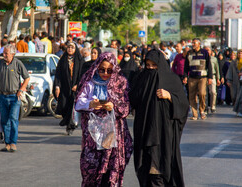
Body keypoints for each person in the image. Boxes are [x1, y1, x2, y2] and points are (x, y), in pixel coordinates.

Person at [129, 49, 189, 187]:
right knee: (145, 167)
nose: (150, 68)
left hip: (163, 131)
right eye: (148, 65)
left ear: (160, 64)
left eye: (153, 65)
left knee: (159, 169)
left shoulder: (171, 79)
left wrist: (169, 96)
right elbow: (132, 98)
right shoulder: (141, 77)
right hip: (144, 128)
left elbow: (184, 105)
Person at [75, 52, 133, 186]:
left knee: (111, 168)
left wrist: (113, 106)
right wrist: (91, 104)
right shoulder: (89, 81)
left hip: (113, 132)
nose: (105, 73)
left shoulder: (120, 82)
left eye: (109, 70)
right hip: (92, 133)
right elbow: (78, 102)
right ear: (96, 67)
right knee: (91, 167)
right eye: (102, 69)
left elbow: (126, 106)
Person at [0, 44, 30, 152]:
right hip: (2, 96)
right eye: (4, 53)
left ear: (12, 54)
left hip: (14, 97)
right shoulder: (0, 64)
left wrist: (21, 90)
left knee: (13, 119)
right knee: (4, 121)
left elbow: (27, 78)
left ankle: (13, 143)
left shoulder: (17, 64)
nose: (4, 55)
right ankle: (7, 143)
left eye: (6, 53)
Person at [53, 42, 84, 135]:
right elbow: (58, 74)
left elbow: (83, 75)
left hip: (75, 89)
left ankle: (70, 126)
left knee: (72, 108)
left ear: (76, 49)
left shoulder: (80, 60)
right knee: (63, 106)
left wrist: (78, 85)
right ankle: (67, 121)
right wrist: (57, 86)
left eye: (72, 47)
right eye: (68, 47)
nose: (70, 49)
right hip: (64, 88)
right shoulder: (62, 60)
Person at [183, 38, 212, 120]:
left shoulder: (204, 52)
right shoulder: (189, 53)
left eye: (194, 43)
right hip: (192, 77)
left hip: (202, 77)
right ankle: (194, 114)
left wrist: (210, 77)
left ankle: (202, 110)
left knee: (202, 93)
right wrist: (185, 76)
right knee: (192, 96)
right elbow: (186, 66)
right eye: (192, 43)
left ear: (199, 44)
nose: (193, 45)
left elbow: (209, 65)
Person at [226, 50, 242, 117]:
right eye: (239, 53)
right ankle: (236, 109)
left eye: (241, 53)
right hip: (234, 82)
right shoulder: (233, 62)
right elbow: (230, 71)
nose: (240, 55)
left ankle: (240, 111)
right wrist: (228, 80)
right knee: (234, 96)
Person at [205, 46, 220, 113]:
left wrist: (218, 78)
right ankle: (205, 107)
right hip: (204, 76)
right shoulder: (203, 59)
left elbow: (217, 69)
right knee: (204, 93)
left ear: (211, 51)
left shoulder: (214, 59)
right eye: (206, 50)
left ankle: (212, 106)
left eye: (208, 50)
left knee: (213, 92)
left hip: (213, 76)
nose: (207, 52)